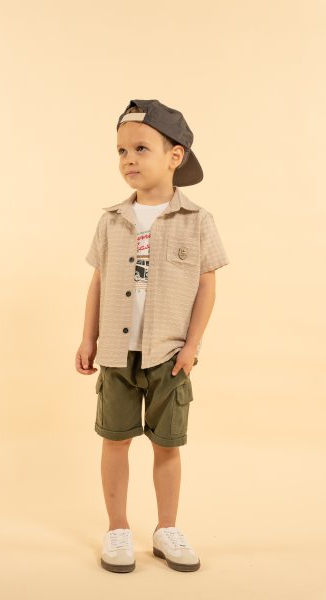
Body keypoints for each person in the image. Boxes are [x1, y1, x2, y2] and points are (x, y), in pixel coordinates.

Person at [76, 99, 230, 573]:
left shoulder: (197, 220)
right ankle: (117, 528)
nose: (128, 160)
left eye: (141, 149)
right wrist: (88, 338)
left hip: (169, 354)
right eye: (121, 151)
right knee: (115, 440)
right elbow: (98, 280)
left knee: (168, 444)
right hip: (117, 353)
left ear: (174, 156)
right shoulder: (111, 220)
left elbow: (207, 285)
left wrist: (191, 346)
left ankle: (167, 529)